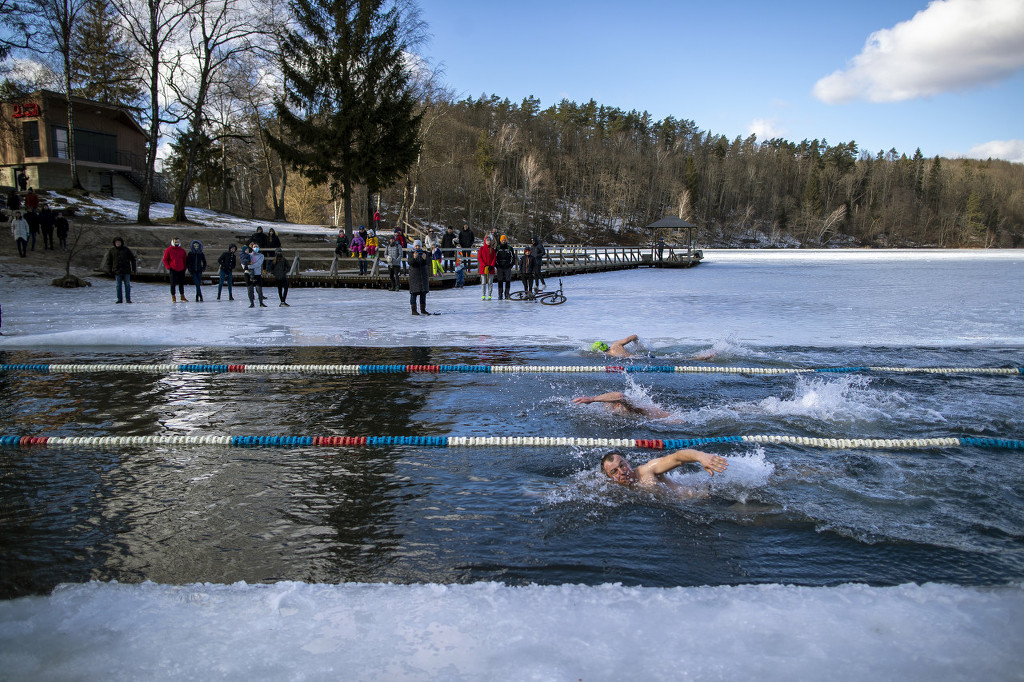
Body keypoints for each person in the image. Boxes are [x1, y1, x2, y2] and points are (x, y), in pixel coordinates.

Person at [599, 450, 728, 495]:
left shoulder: (647, 470)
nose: (622, 471)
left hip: (705, 496)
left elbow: (677, 457)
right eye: (614, 471)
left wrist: (701, 457)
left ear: (628, 462)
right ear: (610, 477)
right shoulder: (613, 487)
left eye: (622, 465)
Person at [572, 391, 671, 419]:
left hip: (673, 423)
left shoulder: (631, 409)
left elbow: (620, 396)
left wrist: (592, 399)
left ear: (618, 405)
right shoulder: (632, 407)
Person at [101, 236, 136, 304]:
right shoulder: (112, 250)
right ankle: (119, 299)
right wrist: (109, 270)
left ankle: (128, 299)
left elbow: (133, 259)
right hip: (117, 270)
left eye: (119, 242)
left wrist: (134, 268)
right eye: (116, 242)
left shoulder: (126, 250)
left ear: (121, 243)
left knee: (127, 285)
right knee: (118, 286)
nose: (118, 243)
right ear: (114, 243)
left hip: (126, 270)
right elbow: (109, 261)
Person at [408, 238, 431, 315]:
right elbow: (410, 262)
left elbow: (428, 262)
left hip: (423, 276)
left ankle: (423, 309)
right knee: (413, 293)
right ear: (414, 246)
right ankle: (413, 310)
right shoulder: (411, 253)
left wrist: (425, 259)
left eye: (419, 246)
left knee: (423, 293)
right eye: (416, 246)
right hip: (414, 276)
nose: (417, 247)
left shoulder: (424, 253)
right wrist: (414, 258)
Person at [162, 237, 188, 302]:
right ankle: (173, 297)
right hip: (173, 269)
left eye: (177, 242)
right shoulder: (168, 250)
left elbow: (185, 259)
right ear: (173, 242)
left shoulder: (182, 250)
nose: (176, 243)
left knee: (181, 284)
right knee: (173, 284)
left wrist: (185, 267)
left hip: (181, 269)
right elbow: (165, 259)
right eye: (175, 242)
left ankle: (182, 296)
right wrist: (169, 267)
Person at [241, 243, 268, 307]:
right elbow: (243, 262)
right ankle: (252, 303)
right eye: (254, 247)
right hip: (248, 274)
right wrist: (245, 267)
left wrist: (248, 267)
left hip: (257, 274)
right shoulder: (249, 255)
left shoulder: (261, 256)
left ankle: (261, 302)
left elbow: (258, 264)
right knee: (250, 289)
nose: (256, 248)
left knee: (259, 289)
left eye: (257, 247)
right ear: (252, 248)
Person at [494, 235, 516, 300]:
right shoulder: (498, 248)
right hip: (500, 266)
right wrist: (497, 265)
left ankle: (507, 294)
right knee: (500, 280)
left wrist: (511, 265)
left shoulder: (509, 248)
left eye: (504, 240)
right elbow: (495, 257)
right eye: (502, 240)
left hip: (507, 266)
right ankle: (500, 294)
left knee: (508, 280)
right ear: (500, 240)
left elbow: (513, 257)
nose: (503, 241)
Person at [477, 234, 496, 300]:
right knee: (483, 282)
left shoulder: (492, 249)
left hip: (490, 268)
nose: (488, 242)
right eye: (487, 241)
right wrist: (484, 265)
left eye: (489, 241)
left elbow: (494, 258)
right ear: (485, 241)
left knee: (490, 282)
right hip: (483, 268)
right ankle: (483, 294)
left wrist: (492, 265)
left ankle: (489, 295)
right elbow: (479, 258)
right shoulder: (481, 248)